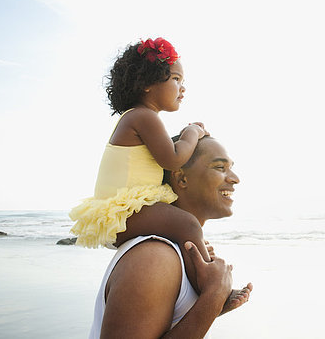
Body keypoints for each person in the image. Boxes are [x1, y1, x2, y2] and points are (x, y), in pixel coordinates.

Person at [69, 38, 215, 291]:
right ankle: (211, 288)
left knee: (185, 227)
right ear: (147, 83)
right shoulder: (143, 117)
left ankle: (196, 264)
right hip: (124, 214)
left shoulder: (139, 118)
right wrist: (191, 133)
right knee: (187, 224)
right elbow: (173, 159)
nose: (182, 88)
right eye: (176, 79)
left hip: (127, 211)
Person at [89, 136, 253, 338]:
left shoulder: (177, 253)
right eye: (220, 167)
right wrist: (214, 296)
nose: (235, 178)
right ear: (182, 178)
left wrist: (209, 306)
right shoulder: (155, 258)